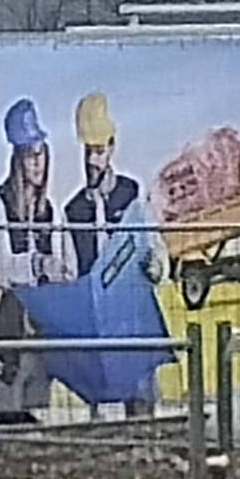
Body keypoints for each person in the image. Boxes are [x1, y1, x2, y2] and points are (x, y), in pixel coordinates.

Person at [63, 92, 163, 418]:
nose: (93, 161)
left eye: (99, 151)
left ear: (112, 148)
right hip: (96, 326)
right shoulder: (73, 210)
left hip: (133, 319)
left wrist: (155, 266)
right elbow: (71, 269)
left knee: (141, 401)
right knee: (98, 411)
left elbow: (153, 246)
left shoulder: (132, 193)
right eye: (88, 152)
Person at [0, 99, 67, 417]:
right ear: (17, 159)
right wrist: (37, 264)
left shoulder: (52, 210)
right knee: (5, 418)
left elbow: (60, 266)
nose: (37, 164)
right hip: (5, 337)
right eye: (30, 155)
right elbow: (2, 269)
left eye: (41, 154)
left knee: (39, 420)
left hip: (41, 339)